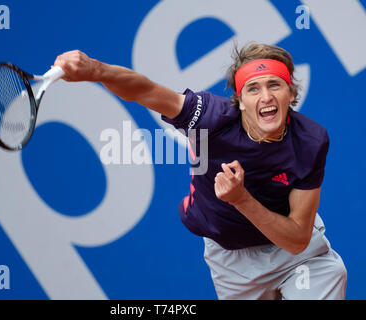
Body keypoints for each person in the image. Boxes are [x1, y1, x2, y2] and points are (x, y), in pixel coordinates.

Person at [53, 42, 347, 300]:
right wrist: (96, 70)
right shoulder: (209, 116)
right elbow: (146, 90)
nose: (266, 97)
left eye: (275, 85)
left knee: (330, 274)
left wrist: (240, 199)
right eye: (253, 88)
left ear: (291, 93)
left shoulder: (311, 140)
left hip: (295, 253)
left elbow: (297, 240)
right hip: (232, 259)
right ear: (240, 101)